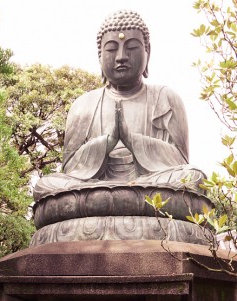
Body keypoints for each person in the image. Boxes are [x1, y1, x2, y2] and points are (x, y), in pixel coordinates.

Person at [33, 9, 205, 202]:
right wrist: (106, 142)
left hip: (152, 183)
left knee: (193, 178)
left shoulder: (165, 98)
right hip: (95, 185)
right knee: (46, 186)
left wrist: (132, 140)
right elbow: (71, 168)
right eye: (112, 49)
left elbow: (180, 161)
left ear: (148, 52)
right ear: (100, 56)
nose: (121, 56)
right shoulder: (83, 105)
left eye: (131, 47)